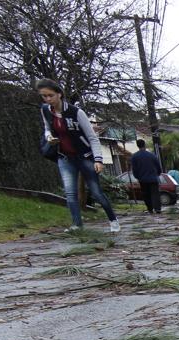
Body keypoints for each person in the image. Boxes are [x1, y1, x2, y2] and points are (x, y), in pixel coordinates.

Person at [36, 79, 120, 233]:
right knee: (70, 192)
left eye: (51, 95)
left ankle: (113, 220)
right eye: (44, 96)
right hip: (65, 157)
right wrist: (49, 137)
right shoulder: (46, 110)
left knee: (96, 192)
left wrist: (98, 160)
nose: (48, 99)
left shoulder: (76, 112)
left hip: (84, 156)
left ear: (59, 94)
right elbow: (47, 128)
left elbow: (92, 137)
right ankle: (77, 224)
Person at [131, 139, 163, 214]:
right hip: (153, 178)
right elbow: (158, 166)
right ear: (144, 145)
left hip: (143, 179)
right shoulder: (152, 155)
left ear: (137, 146)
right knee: (155, 194)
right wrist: (158, 174)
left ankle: (150, 209)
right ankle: (158, 209)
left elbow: (134, 169)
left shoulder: (135, 157)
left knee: (146, 194)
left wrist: (137, 177)